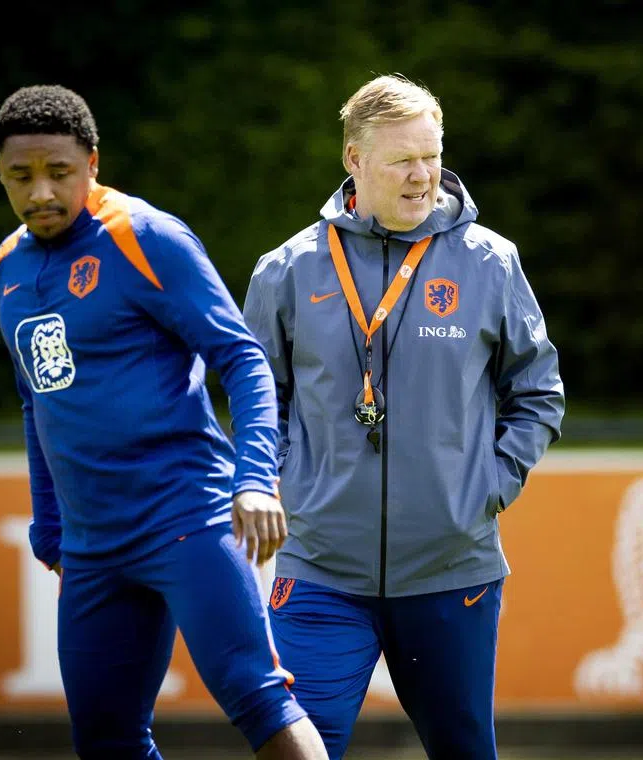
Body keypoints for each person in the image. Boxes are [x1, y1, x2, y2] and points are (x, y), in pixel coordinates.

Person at [0, 84, 328, 760]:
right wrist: (51, 526)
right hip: (90, 548)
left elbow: (243, 359)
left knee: (258, 698)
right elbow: (38, 400)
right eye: (19, 177)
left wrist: (255, 479)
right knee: (107, 739)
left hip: (186, 518)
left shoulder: (145, 238)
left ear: (92, 161)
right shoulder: (6, 268)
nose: (41, 193)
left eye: (59, 172)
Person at [242, 74, 566, 759]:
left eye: (432, 155)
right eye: (402, 160)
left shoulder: (491, 262)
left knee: (463, 750)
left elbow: (538, 390)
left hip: (453, 570)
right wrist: (283, 484)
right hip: (321, 572)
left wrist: (486, 489)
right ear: (354, 161)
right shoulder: (287, 270)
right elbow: (255, 398)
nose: (423, 177)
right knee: (299, 750)